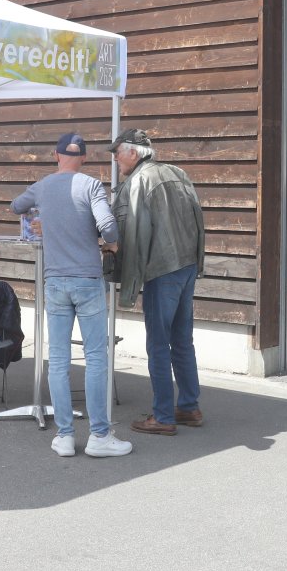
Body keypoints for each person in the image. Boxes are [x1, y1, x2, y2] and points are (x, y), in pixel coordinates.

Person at [10, 132, 131, 459]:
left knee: (59, 360)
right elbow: (108, 227)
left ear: (56, 155)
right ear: (85, 158)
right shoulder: (91, 185)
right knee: (96, 359)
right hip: (88, 281)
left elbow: (16, 206)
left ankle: (64, 436)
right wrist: (109, 242)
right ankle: (99, 436)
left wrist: (43, 217)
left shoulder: (43, 187)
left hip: (55, 281)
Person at [109, 128, 206, 437]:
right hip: (186, 265)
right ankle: (189, 407)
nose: (115, 160)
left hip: (161, 270)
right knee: (182, 340)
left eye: (117, 153)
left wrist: (128, 281)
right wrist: (198, 260)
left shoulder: (138, 181)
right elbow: (198, 219)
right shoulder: (177, 172)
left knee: (158, 344)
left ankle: (163, 416)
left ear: (133, 153)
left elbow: (134, 233)